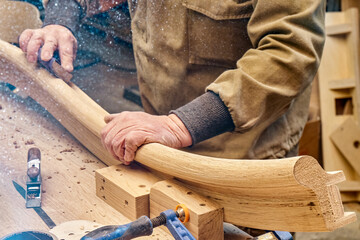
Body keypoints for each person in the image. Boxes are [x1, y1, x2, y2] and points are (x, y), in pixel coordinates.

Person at [19, 0, 326, 166]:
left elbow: (289, 54)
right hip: (159, 139)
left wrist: (179, 126)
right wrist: (59, 20)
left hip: (242, 155)